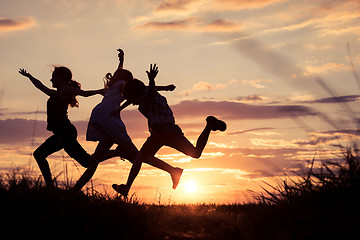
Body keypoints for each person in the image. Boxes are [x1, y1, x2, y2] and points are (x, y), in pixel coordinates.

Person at [70, 49, 183, 193]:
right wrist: (121, 60)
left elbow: (142, 89)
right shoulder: (115, 84)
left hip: (105, 117)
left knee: (102, 159)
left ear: (125, 79)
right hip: (108, 118)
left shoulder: (120, 84)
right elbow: (121, 72)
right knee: (137, 156)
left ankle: (75, 190)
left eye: (120, 73)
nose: (116, 72)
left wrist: (164, 88)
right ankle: (172, 170)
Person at [112, 64, 227, 197]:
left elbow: (148, 92)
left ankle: (127, 188)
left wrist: (151, 80)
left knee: (140, 157)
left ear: (137, 94)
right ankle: (209, 126)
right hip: (172, 131)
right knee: (195, 153)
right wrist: (119, 109)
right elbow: (145, 93)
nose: (131, 103)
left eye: (132, 100)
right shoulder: (149, 96)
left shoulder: (148, 96)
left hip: (160, 132)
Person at [19, 66, 104, 188]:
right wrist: (29, 76)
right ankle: (117, 152)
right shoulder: (55, 93)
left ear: (61, 78)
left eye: (53, 76)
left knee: (39, 154)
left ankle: (50, 187)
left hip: (65, 133)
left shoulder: (65, 90)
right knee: (87, 162)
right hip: (63, 133)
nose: (51, 79)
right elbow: (40, 86)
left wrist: (100, 91)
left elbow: (84, 94)